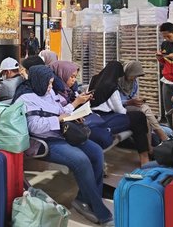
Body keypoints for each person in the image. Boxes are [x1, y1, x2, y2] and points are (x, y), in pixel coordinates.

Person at [15, 65, 113, 226]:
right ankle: (99, 210)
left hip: (62, 133)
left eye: (52, 83)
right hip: (44, 141)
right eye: (48, 83)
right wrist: (59, 119)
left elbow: (60, 110)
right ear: (39, 81)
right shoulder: (25, 98)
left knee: (96, 152)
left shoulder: (47, 92)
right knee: (81, 160)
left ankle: (83, 198)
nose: (51, 87)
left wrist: (75, 109)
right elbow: (35, 127)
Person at [89, 61, 150, 166]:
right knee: (139, 118)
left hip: (93, 115)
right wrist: (129, 106)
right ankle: (145, 157)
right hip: (106, 119)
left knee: (136, 118)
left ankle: (146, 152)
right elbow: (120, 111)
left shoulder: (94, 80)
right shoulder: (112, 87)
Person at [118, 61, 168, 142]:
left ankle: (153, 143)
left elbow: (133, 95)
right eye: (133, 76)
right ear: (127, 72)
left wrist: (137, 100)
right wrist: (128, 102)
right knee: (144, 109)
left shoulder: (133, 83)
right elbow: (115, 103)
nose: (134, 78)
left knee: (146, 116)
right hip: (119, 108)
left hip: (129, 106)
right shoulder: (117, 83)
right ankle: (162, 136)